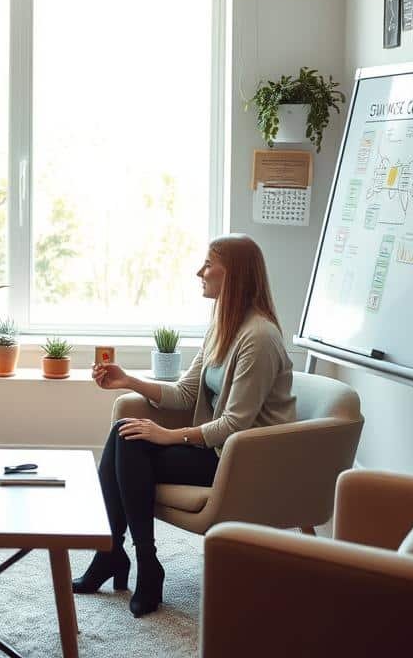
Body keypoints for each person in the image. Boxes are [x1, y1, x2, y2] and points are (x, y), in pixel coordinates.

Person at [75, 234, 295, 617]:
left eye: (209, 263)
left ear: (236, 274)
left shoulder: (259, 338)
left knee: (129, 441)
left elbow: (235, 424)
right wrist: (128, 381)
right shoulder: (223, 327)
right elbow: (185, 392)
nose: (200, 271)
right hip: (214, 451)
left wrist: (168, 435)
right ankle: (124, 557)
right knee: (125, 433)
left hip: (243, 460)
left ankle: (130, 560)